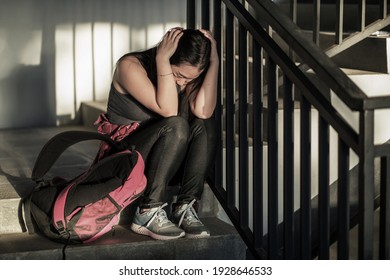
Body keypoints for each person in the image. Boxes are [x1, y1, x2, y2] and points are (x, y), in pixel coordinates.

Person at [96, 27, 219, 240]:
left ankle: (184, 207)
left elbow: (203, 111)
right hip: (125, 160)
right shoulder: (130, 66)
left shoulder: (185, 78)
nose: (181, 83)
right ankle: (147, 211)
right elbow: (169, 111)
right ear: (168, 56)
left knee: (205, 124)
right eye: (179, 75)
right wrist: (162, 58)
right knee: (177, 124)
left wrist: (215, 63)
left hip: (162, 160)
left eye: (189, 80)